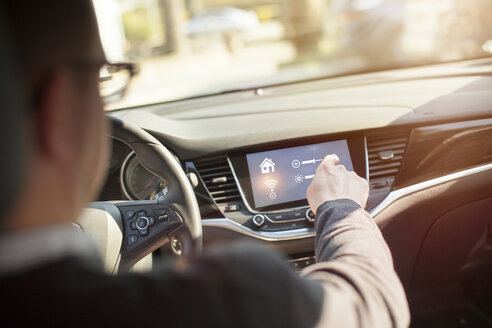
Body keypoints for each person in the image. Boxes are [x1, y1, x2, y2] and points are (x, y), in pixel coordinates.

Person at [0, 0, 409, 327]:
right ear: (62, 112)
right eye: (102, 80)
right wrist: (341, 209)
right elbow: (371, 305)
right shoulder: (231, 300)